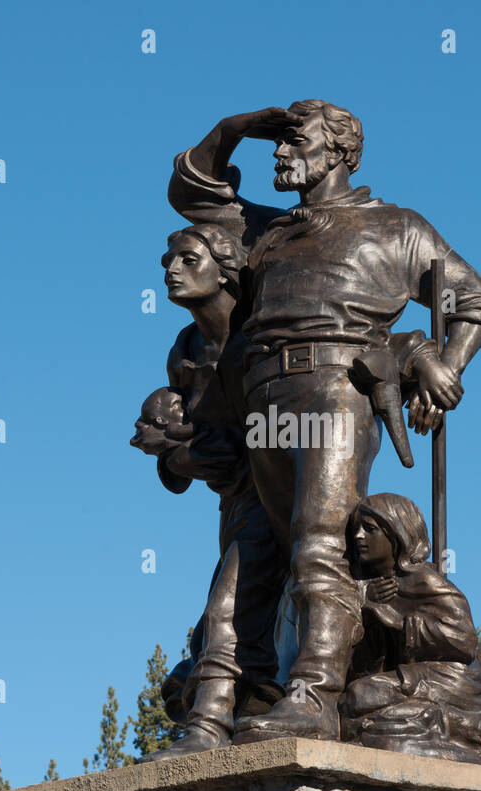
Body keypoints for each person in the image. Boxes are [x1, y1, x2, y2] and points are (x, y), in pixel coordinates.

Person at [167, 100, 481, 742]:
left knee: (322, 542)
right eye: (279, 144)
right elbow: (192, 193)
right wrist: (236, 127)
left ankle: (315, 697)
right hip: (261, 395)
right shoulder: (266, 230)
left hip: (336, 386)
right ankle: (224, 706)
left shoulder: (398, 227)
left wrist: (447, 368)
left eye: (297, 142)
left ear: (339, 151)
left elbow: (474, 298)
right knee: (257, 549)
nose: (281, 154)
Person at [130, 224, 287, 760]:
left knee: (229, 608)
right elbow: (181, 459)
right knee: (239, 618)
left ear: (225, 270)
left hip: (282, 489)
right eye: (167, 262)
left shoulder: (262, 334)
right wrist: (172, 449)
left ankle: (207, 727)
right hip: (235, 500)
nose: (172, 270)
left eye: (187, 259)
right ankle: (255, 711)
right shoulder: (184, 352)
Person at [340, 493, 481, 767]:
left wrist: (400, 624)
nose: (359, 536)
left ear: (396, 533)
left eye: (369, 529)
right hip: (409, 677)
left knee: (360, 697)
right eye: (356, 530)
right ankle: (439, 722)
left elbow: (464, 639)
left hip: (450, 678)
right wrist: (368, 607)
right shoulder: (372, 587)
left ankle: (471, 726)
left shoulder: (422, 579)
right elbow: (366, 663)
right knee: (355, 698)